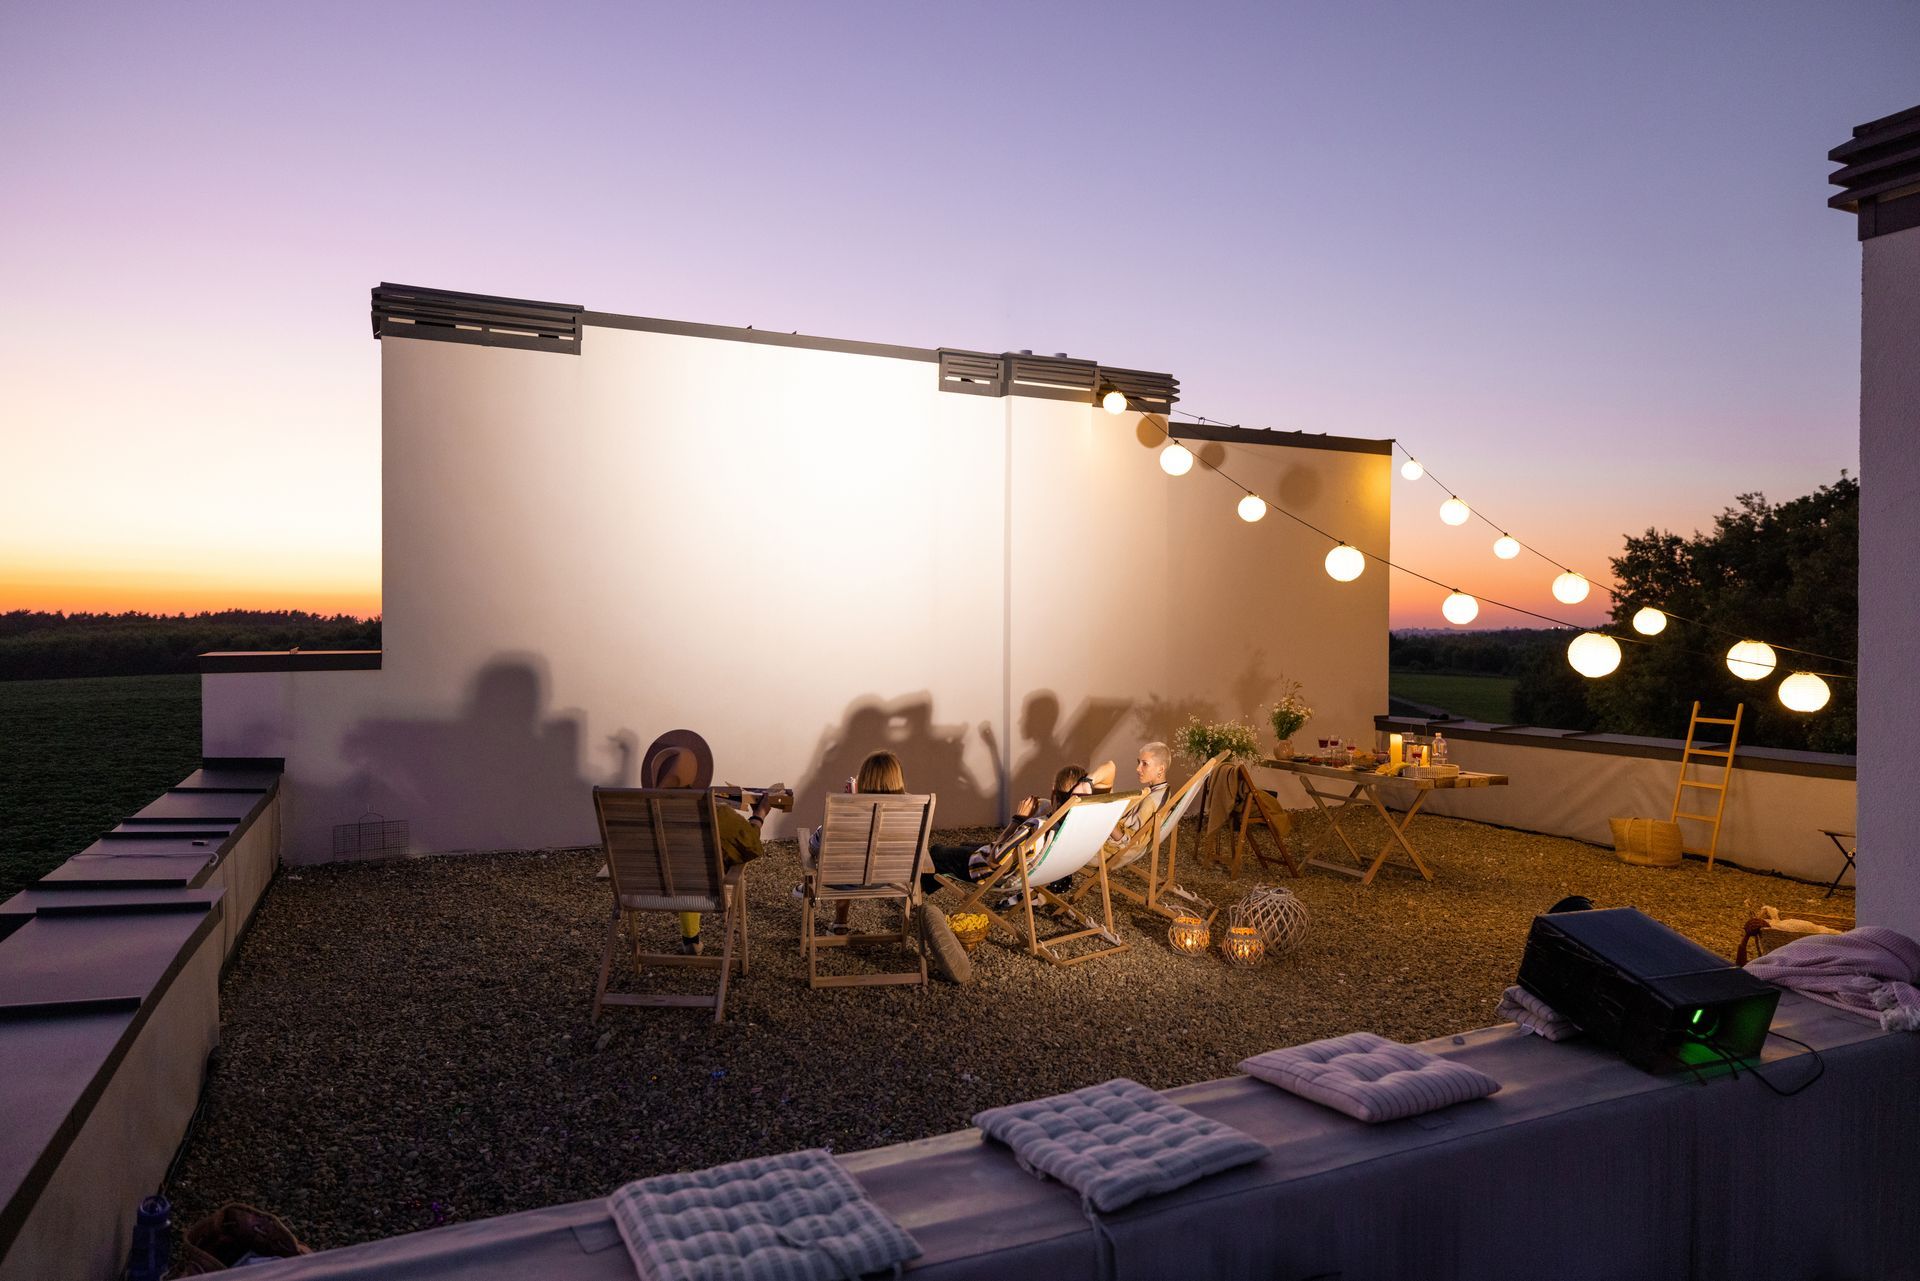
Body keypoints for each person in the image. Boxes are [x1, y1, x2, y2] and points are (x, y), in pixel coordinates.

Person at [646, 745, 779, 955]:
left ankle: (690, 938)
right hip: (696, 884)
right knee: (696, 864)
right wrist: (759, 815)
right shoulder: (715, 814)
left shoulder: (638, 813)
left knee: (682, 862)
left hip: (642, 891)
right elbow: (750, 843)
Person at [802, 750, 906, 931]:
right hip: (890, 877)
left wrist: (846, 806)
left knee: (846, 859)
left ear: (864, 779)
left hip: (844, 879)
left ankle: (840, 923)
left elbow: (815, 846)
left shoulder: (847, 811)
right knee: (853, 859)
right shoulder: (910, 812)